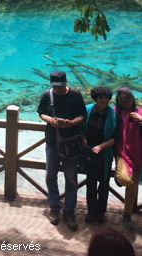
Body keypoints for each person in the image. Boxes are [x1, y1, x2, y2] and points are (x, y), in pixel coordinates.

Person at [37, 70, 86, 231]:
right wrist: (50, 120)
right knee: (50, 174)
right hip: (52, 140)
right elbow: (41, 113)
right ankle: (54, 206)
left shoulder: (75, 95)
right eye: (55, 86)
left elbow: (82, 116)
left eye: (61, 86)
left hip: (71, 142)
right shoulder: (47, 95)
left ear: (66, 83)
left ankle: (69, 211)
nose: (58, 89)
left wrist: (71, 123)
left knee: (71, 177)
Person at [82, 87, 117, 224]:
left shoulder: (113, 115)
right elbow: (80, 127)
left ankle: (101, 213)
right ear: (95, 98)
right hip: (89, 153)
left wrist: (101, 146)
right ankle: (91, 212)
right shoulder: (87, 110)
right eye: (101, 97)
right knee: (90, 183)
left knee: (103, 184)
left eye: (107, 98)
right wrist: (82, 137)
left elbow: (116, 137)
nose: (104, 100)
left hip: (105, 154)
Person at [114, 86, 142, 230]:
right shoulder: (114, 112)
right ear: (118, 101)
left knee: (132, 187)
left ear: (132, 98)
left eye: (128, 100)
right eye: (122, 101)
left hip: (137, 154)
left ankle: (127, 214)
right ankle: (118, 175)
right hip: (120, 152)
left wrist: (141, 119)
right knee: (125, 179)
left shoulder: (140, 112)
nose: (126, 103)